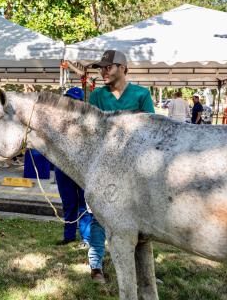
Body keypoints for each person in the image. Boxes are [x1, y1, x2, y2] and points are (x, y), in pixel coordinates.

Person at [88, 50, 155, 283]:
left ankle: (143, 272)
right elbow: (92, 133)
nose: (103, 71)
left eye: (108, 66)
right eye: (101, 67)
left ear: (123, 68)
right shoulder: (97, 96)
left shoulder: (141, 95)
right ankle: (96, 266)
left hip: (136, 169)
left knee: (139, 220)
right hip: (105, 167)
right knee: (98, 217)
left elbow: (151, 132)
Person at [55, 87, 93, 248]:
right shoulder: (58, 120)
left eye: (75, 100)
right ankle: (69, 236)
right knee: (69, 204)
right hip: (63, 168)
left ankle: (87, 238)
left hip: (82, 169)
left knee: (84, 204)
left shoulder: (89, 121)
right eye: (69, 99)